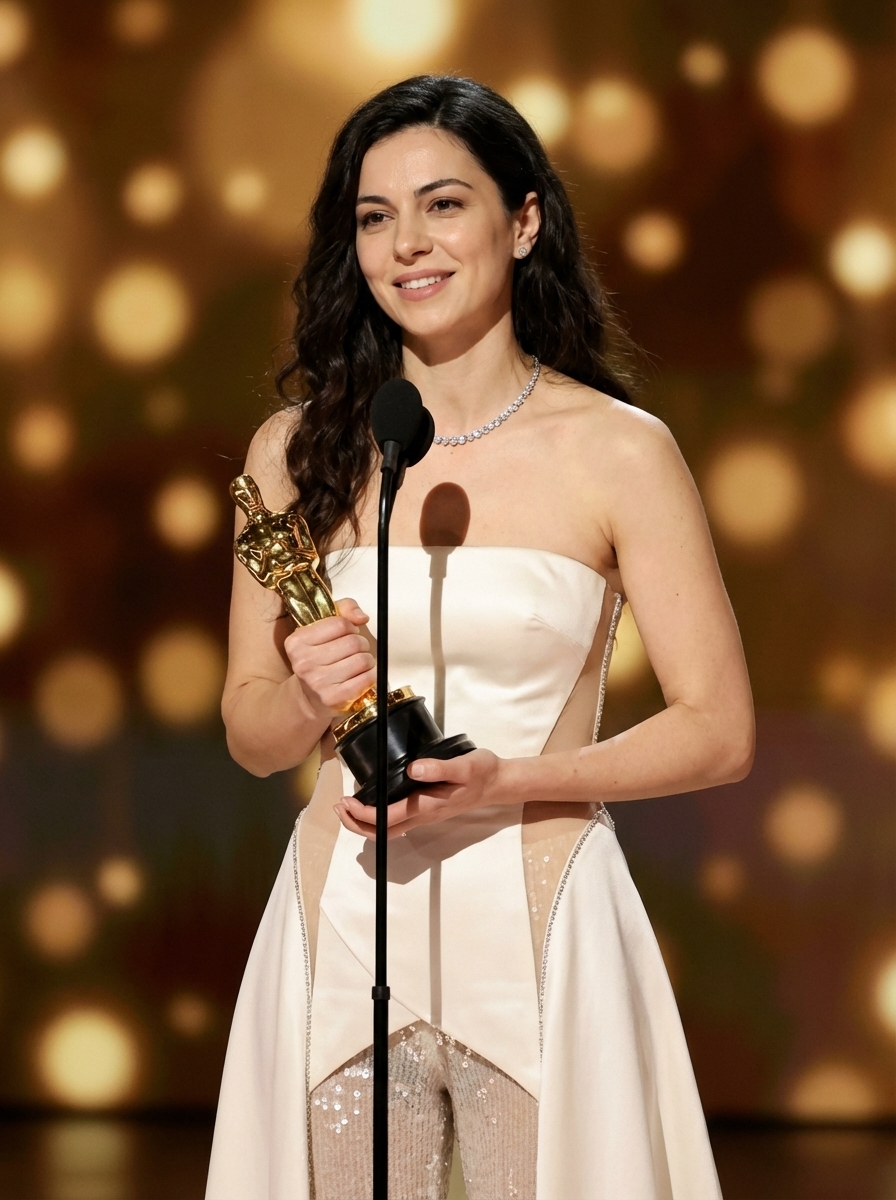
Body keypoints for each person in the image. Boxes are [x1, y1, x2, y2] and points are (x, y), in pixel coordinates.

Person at [205, 75, 754, 1200]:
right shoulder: (296, 452)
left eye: (443, 204)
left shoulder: (619, 451)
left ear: (524, 220)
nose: (406, 243)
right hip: (343, 931)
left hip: (543, 932)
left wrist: (506, 781)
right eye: (374, 216)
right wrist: (306, 696)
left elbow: (717, 729)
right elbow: (253, 738)